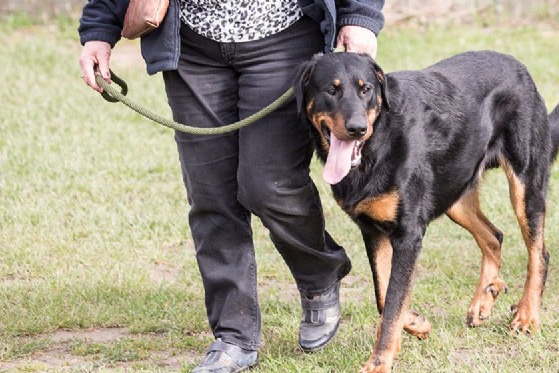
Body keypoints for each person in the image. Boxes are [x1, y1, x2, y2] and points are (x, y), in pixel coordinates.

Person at [78, 1, 384, 371]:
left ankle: (318, 273)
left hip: (283, 37)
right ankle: (233, 335)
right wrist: (99, 28)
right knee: (210, 194)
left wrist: (360, 16)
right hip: (192, 45)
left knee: (269, 185)